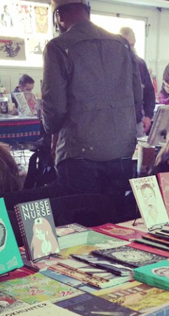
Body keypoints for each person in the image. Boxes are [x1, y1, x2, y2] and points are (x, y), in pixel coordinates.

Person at [41, 0, 141, 222]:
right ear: (88, 10)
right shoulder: (122, 45)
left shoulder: (58, 46)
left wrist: (50, 131)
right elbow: (137, 98)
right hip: (121, 152)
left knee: (78, 226)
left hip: (79, 154)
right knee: (114, 221)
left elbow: (54, 108)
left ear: (58, 17)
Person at [119, 27, 156, 137]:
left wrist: (148, 116)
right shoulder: (110, 65)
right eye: (125, 45)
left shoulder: (140, 64)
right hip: (116, 123)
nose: (128, 49)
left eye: (131, 45)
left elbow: (149, 92)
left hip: (137, 122)